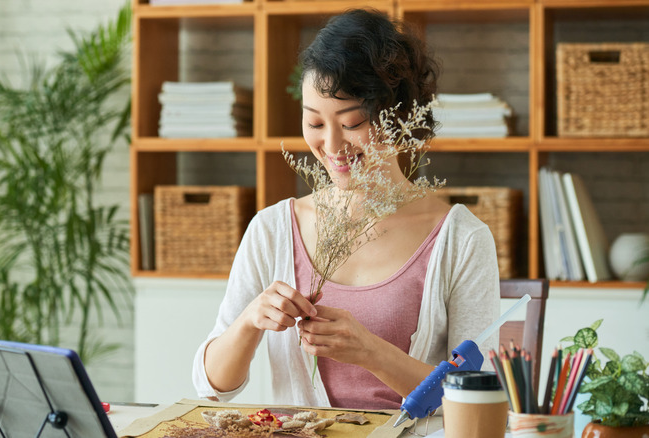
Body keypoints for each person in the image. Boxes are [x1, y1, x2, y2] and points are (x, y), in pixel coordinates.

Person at [192, 8, 500, 410]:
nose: (333, 147)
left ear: (399, 118)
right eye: (315, 125)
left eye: (352, 123)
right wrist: (250, 320)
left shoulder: (460, 238)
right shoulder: (273, 229)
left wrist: (371, 351)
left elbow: (477, 401)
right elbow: (213, 387)